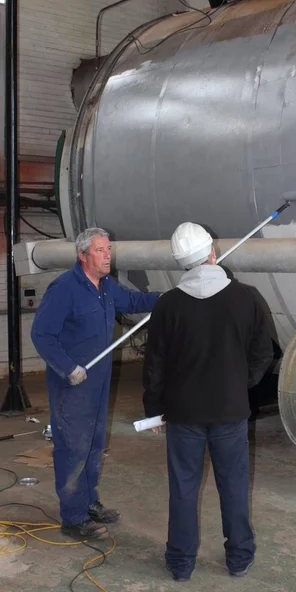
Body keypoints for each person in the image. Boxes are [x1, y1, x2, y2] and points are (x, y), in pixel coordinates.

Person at [142, 222, 273, 581]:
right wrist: (238, 384)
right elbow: (263, 354)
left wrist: (153, 411)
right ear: (212, 253)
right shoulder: (246, 298)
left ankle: (181, 563)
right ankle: (239, 558)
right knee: (233, 486)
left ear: (181, 263)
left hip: (183, 415)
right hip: (229, 413)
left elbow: (154, 366)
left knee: (183, 488)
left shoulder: (167, 306)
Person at [31, 227, 160, 540]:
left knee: (92, 446)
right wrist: (67, 368)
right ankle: (73, 517)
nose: (107, 256)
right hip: (72, 384)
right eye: (101, 251)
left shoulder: (105, 287)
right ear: (83, 255)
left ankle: (88, 502)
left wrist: (167, 299)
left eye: (108, 250)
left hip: (98, 381)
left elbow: (131, 300)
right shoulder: (64, 289)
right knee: (73, 448)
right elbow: (41, 334)